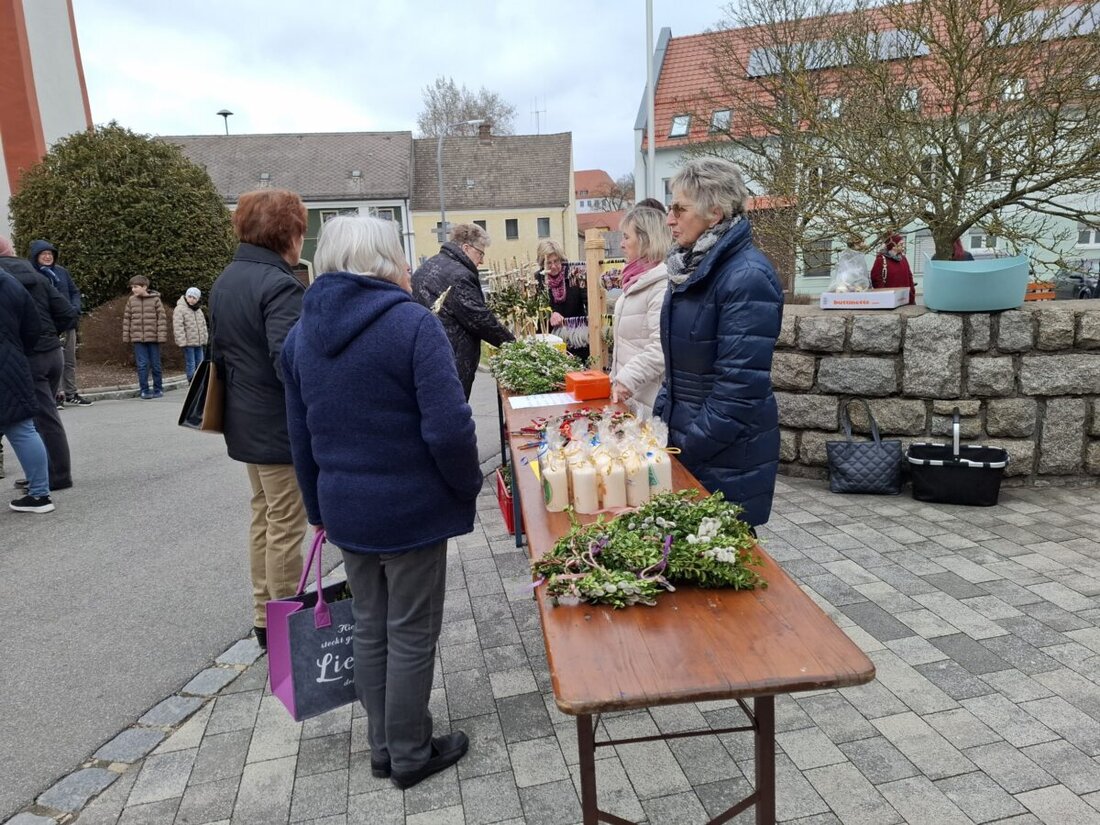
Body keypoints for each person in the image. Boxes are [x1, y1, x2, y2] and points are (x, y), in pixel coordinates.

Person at [282, 215, 480, 789]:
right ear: (384, 259)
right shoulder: (412, 325)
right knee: (412, 631)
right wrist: (463, 486)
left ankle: (382, 747)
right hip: (411, 508)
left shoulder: (301, 335)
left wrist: (319, 508)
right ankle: (411, 752)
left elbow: (301, 435)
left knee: (371, 626)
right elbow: (449, 429)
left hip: (346, 507)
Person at [655, 156, 783, 529]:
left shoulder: (746, 277)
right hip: (691, 442)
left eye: (680, 208)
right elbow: (678, 371)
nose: (669, 218)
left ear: (715, 213)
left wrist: (685, 448)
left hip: (725, 454)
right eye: (669, 206)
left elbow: (739, 389)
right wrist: (658, 426)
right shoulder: (691, 267)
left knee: (722, 563)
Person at [209, 188, 308, 650]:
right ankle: (285, 620)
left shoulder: (228, 278)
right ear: (288, 232)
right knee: (287, 522)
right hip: (276, 425)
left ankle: (263, 614)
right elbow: (289, 361)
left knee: (264, 517)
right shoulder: (280, 284)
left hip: (244, 420)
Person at [1, 235, 78, 491]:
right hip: (52, 352)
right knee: (41, 418)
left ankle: (56, 476)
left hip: (29, 356)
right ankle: (41, 472)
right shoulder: (40, 277)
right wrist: (49, 334)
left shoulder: (6, 279)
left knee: (40, 418)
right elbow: (67, 313)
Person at [411, 223, 514, 399]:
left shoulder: (427, 266)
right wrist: (513, 344)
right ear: (466, 247)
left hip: (424, 356)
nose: (481, 261)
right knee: (451, 414)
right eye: (480, 253)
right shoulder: (460, 275)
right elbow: (480, 319)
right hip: (452, 359)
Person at [0, 269, 54, 513]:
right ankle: (40, 494)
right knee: (23, 429)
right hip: (12, 363)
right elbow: (33, 326)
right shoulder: (10, 282)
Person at [609, 206, 672, 411]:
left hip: (648, 400)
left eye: (627, 237)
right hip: (630, 396)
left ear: (645, 240)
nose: (621, 244)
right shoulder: (635, 280)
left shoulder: (660, 285)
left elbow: (661, 348)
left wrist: (627, 378)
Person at [28, 239, 90, 406]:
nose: (48, 257)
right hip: (48, 326)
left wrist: (75, 308)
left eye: (50, 254)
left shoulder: (61, 272)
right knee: (54, 363)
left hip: (68, 323)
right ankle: (56, 396)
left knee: (69, 361)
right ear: (36, 256)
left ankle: (71, 392)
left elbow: (74, 291)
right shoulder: (32, 275)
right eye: (44, 254)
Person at [535, 239, 588, 361]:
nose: (553, 266)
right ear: (542, 264)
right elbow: (535, 310)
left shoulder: (574, 274)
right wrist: (550, 314)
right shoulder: (537, 280)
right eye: (549, 263)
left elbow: (588, 301)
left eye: (556, 261)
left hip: (577, 339)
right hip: (549, 340)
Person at [122, 275, 167, 399]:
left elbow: (162, 319)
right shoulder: (131, 300)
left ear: (144, 287)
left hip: (153, 338)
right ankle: (144, 390)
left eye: (136, 287)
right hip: (138, 339)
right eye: (132, 287)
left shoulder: (156, 300)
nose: (133, 290)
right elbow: (127, 319)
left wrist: (161, 336)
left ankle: (158, 388)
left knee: (156, 364)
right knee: (142, 365)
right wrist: (126, 336)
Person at [173, 286, 209, 381]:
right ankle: (191, 380)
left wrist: (205, 338)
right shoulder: (180, 309)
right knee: (191, 362)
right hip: (188, 342)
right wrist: (181, 341)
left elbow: (203, 325)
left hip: (199, 342)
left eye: (194, 298)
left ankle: (200, 380)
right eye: (190, 297)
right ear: (186, 296)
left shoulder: (198, 310)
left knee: (200, 361)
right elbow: (178, 326)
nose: (192, 299)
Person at [871, 233, 917, 305]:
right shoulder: (881, 260)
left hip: (905, 301)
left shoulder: (903, 259)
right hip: (889, 302)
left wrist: (911, 298)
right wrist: (884, 298)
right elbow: (876, 281)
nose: (903, 246)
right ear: (893, 246)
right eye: (901, 244)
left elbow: (910, 278)